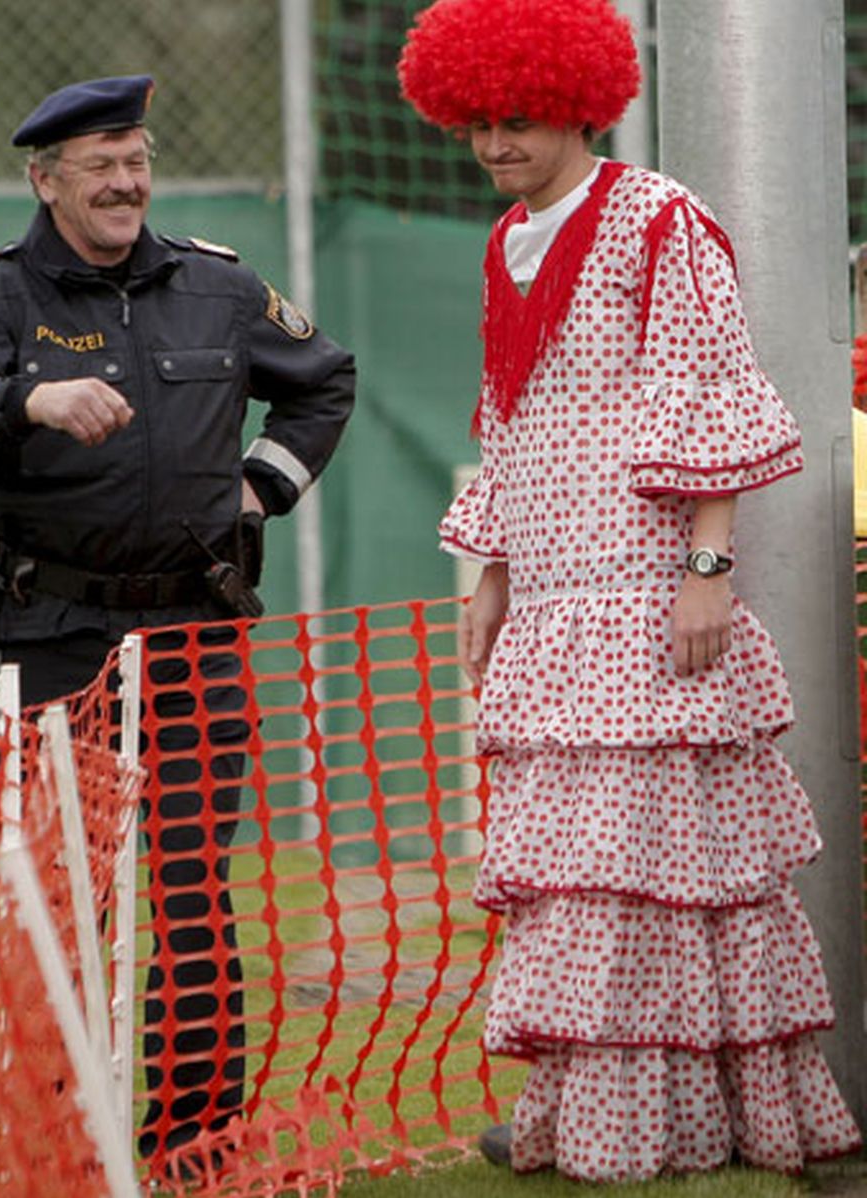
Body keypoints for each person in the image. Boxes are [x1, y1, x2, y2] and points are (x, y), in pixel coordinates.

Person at [398, 0, 861, 1181]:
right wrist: (492, 578)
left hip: (649, 599)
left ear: (579, 100)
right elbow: (505, 420)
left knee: (677, 884)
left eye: (519, 118)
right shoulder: (503, 239)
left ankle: (687, 1122)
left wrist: (706, 570)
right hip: (551, 607)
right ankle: (599, 1116)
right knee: (582, 884)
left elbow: (709, 384)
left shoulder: (656, 217)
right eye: (478, 123)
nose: (496, 143)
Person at [0, 75, 356, 1176]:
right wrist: (21, 400)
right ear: (44, 181)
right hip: (52, 638)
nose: (126, 179)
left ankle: (193, 1145)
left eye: (136, 156)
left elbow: (321, 385)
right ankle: (52, 1137)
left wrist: (263, 488)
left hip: (196, 632)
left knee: (191, 893)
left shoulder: (220, 286)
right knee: (59, 903)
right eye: (98, 163)